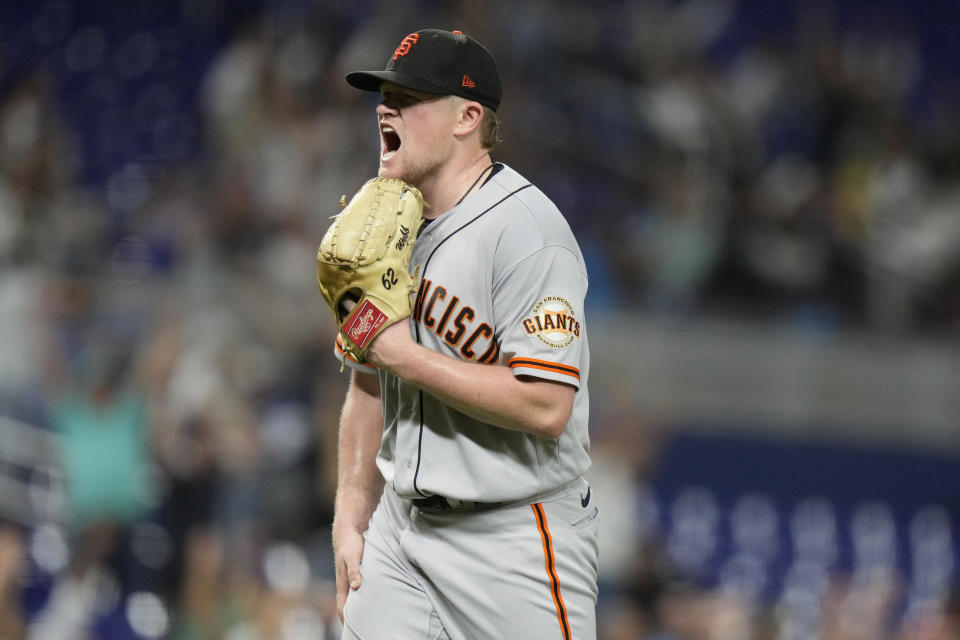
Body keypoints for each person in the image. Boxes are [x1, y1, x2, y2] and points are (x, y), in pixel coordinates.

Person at [329, 28, 598, 639]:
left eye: (408, 96)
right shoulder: (383, 225)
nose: (385, 109)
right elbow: (369, 382)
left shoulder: (528, 232)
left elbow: (547, 403)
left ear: (468, 117)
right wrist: (350, 508)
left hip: (513, 541)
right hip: (402, 532)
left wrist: (404, 356)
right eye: (384, 94)